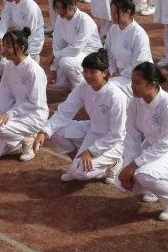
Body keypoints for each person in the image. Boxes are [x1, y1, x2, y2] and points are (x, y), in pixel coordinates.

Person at [115, 62, 168, 222]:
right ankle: (156, 186)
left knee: (144, 175)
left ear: (151, 85)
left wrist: (133, 166)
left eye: (137, 82)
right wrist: (127, 167)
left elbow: (164, 144)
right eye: (132, 81)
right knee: (121, 180)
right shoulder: (134, 102)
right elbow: (132, 137)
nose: (132, 86)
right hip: (153, 149)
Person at [37, 48, 127, 183]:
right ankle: (77, 162)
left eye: (93, 72)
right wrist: (44, 132)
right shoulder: (84, 86)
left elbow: (116, 134)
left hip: (113, 141)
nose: (88, 75)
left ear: (104, 73)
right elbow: (65, 111)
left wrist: (91, 151)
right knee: (55, 130)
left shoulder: (116, 96)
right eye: (85, 71)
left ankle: (114, 163)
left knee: (80, 174)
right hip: (92, 130)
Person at [0, 27, 49, 161]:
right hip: (15, 113)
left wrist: (9, 115)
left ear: (21, 48)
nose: (3, 50)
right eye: (4, 45)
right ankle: (18, 139)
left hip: (34, 115)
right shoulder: (9, 66)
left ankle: (27, 139)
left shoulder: (34, 70)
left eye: (8, 46)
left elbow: (35, 103)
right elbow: (5, 94)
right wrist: (2, 116)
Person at [50, 0, 102, 90]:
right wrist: (53, 68)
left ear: (73, 4)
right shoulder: (59, 19)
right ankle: (75, 81)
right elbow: (57, 46)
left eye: (63, 8)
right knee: (56, 82)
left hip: (90, 53)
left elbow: (75, 49)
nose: (60, 12)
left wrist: (55, 56)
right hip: (72, 52)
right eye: (57, 8)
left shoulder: (84, 20)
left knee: (65, 62)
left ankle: (82, 89)